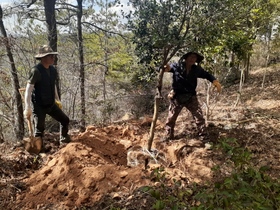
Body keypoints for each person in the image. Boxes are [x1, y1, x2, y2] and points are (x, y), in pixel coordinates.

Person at [162, 52, 221, 143]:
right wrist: (165, 68)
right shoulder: (177, 66)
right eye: (191, 57)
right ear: (186, 58)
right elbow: (168, 68)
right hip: (177, 97)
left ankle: (203, 136)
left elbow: (207, 75)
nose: (192, 59)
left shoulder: (196, 69)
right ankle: (168, 135)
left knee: (199, 117)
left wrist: (214, 81)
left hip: (191, 97)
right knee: (171, 118)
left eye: (194, 58)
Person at [23, 45, 71, 151]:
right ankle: (38, 150)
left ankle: (64, 139)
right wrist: (27, 107)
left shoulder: (52, 70)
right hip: (39, 105)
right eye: (50, 56)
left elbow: (52, 84)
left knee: (65, 120)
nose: (53, 58)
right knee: (39, 130)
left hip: (51, 103)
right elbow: (28, 89)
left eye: (53, 56)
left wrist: (57, 99)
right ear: (43, 58)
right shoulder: (36, 71)